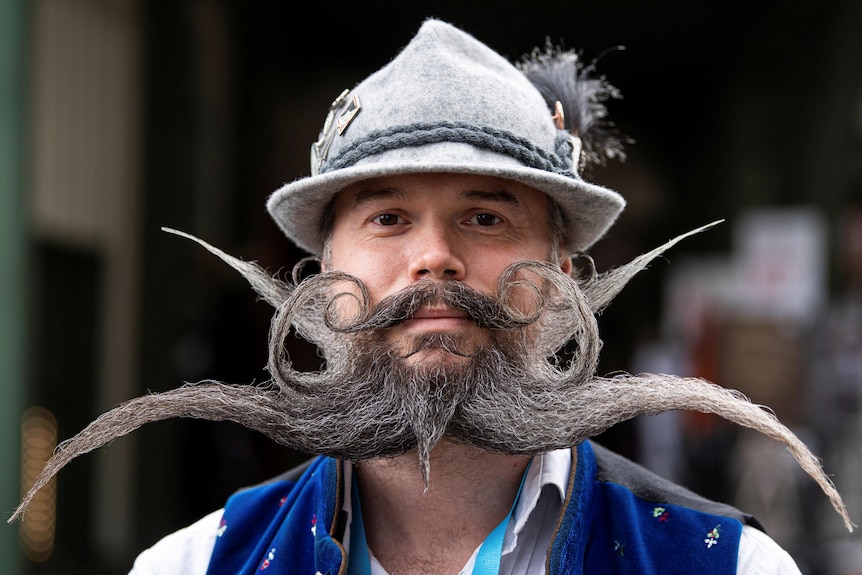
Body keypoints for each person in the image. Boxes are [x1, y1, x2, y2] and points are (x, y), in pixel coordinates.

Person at [10, 18, 852, 574]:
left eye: (485, 217)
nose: (434, 259)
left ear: (564, 271)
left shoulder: (724, 564)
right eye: (388, 217)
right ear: (321, 276)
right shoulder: (194, 566)